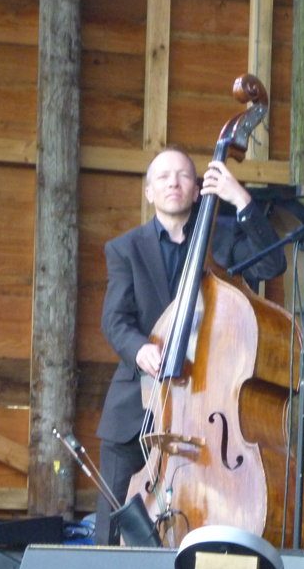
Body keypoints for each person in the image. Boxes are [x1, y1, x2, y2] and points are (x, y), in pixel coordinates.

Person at [94, 147, 287, 545]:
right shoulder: (125, 248)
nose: (173, 183)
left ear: (198, 189)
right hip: (140, 398)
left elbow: (271, 265)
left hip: (206, 401)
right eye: (163, 177)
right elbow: (115, 320)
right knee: (114, 522)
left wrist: (241, 201)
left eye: (183, 176)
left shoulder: (224, 238)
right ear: (149, 192)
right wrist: (139, 349)